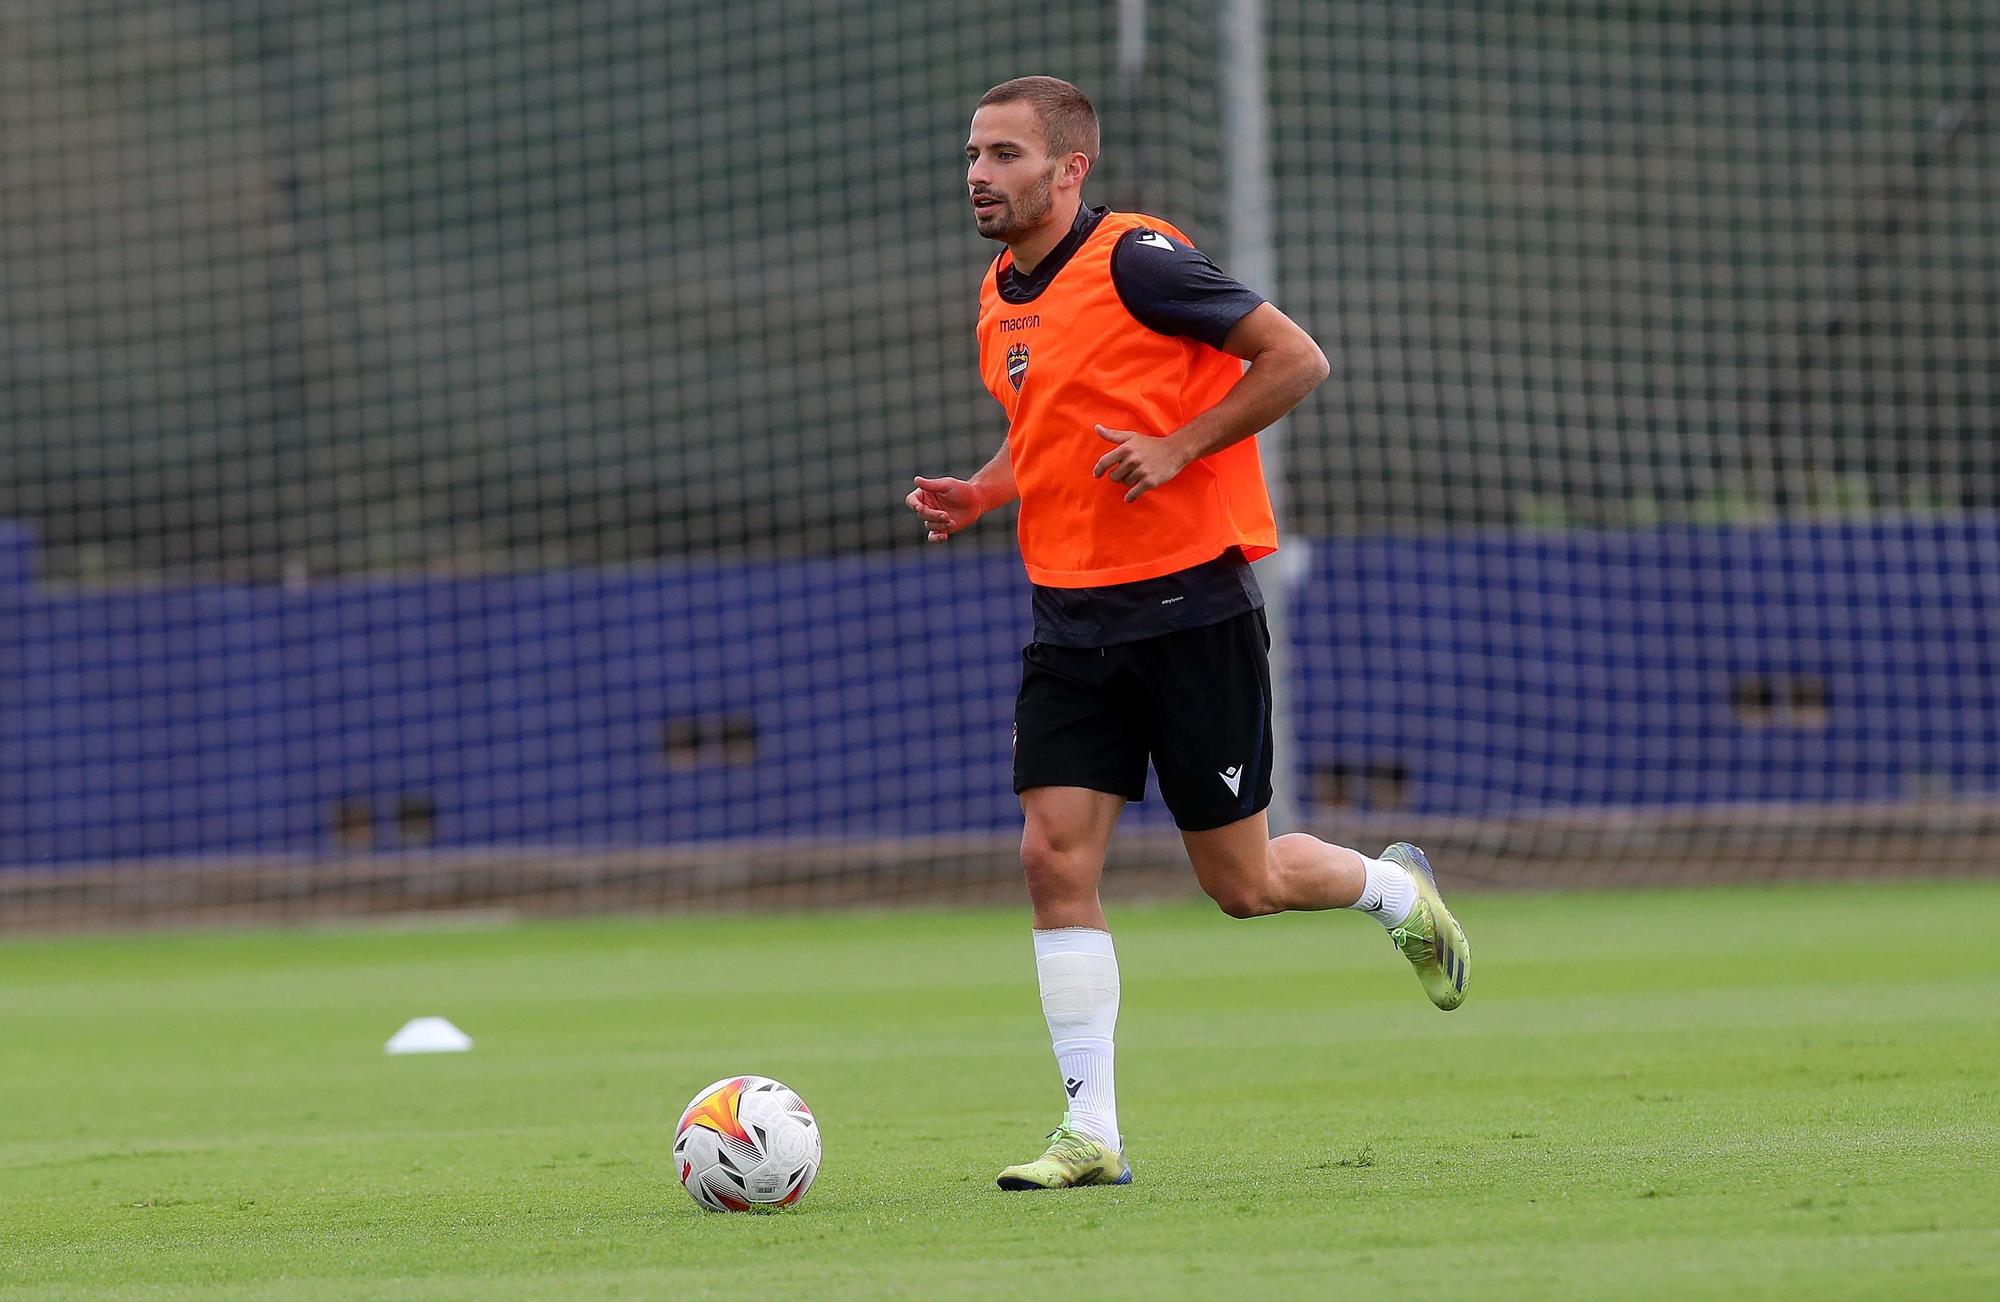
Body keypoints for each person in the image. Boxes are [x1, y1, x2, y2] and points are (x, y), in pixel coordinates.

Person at [907, 76, 1470, 1191]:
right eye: (973, 152)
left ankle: (1392, 890)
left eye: (1007, 154)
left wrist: (1181, 445)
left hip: (1189, 611)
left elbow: (1294, 358)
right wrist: (982, 491)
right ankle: (1090, 1134)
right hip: (1067, 619)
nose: (979, 172)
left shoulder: (1139, 259)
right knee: (1049, 858)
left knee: (1241, 883)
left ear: (1069, 170)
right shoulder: (998, 291)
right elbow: (1050, 432)